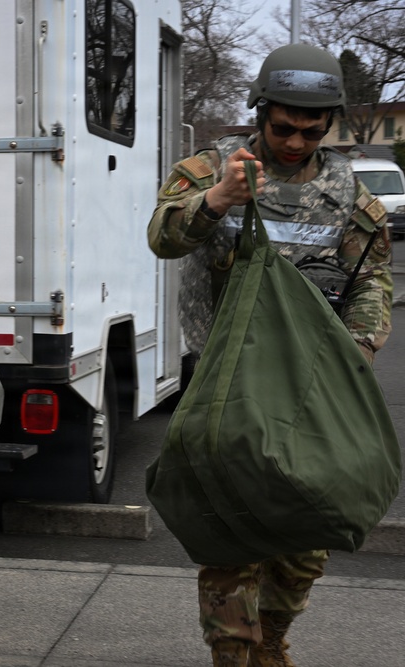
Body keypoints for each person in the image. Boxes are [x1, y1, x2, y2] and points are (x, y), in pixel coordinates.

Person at [147, 44, 392, 667]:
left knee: (308, 533)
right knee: (229, 529)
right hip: (225, 383)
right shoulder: (211, 168)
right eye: (284, 127)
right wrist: (219, 199)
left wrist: (358, 349)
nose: (297, 140)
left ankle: (274, 637)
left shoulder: (347, 191)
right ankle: (233, 652)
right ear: (261, 111)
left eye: (313, 130)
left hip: (310, 389)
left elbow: (372, 280)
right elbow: (163, 236)